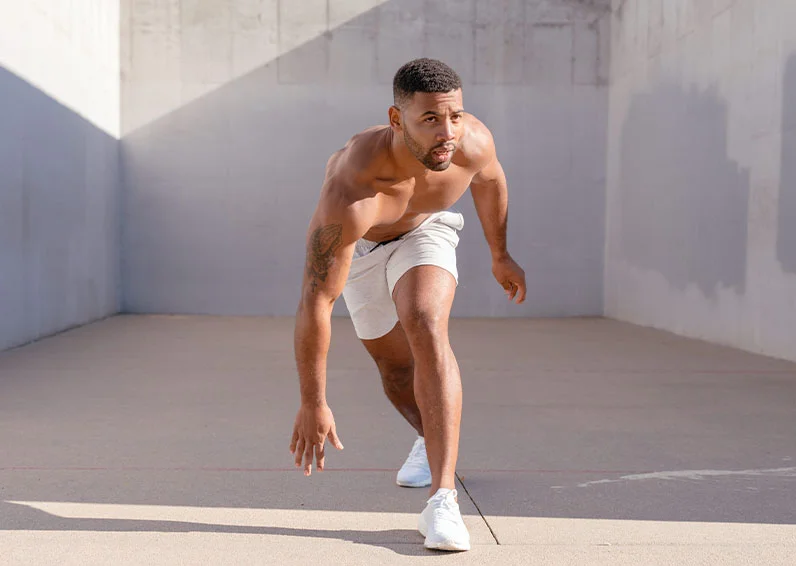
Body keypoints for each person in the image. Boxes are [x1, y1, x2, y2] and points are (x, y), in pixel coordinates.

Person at [289, 58, 526, 552]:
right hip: (361, 249)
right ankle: (426, 437)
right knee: (395, 369)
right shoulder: (355, 184)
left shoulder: (471, 142)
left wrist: (500, 254)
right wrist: (313, 401)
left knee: (424, 321)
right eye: (431, 119)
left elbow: (491, 181)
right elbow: (317, 299)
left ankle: (442, 499)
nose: (448, 132)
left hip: (426, 231)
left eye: (455, 115)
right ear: (397, 119)